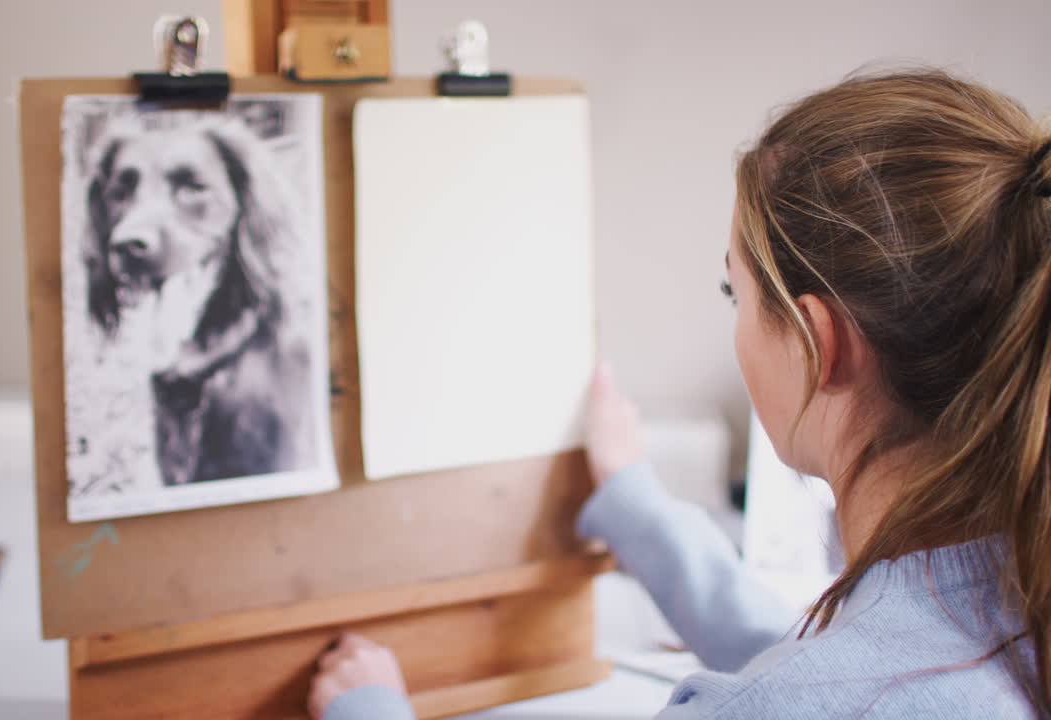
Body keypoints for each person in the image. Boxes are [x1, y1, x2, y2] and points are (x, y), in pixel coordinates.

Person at [307, 68, 1051, 719]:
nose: (736, 320)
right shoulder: (1011, 602)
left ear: (816, 345)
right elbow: (842, 666)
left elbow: (807, 694)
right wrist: (635, 508)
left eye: (736, 293)